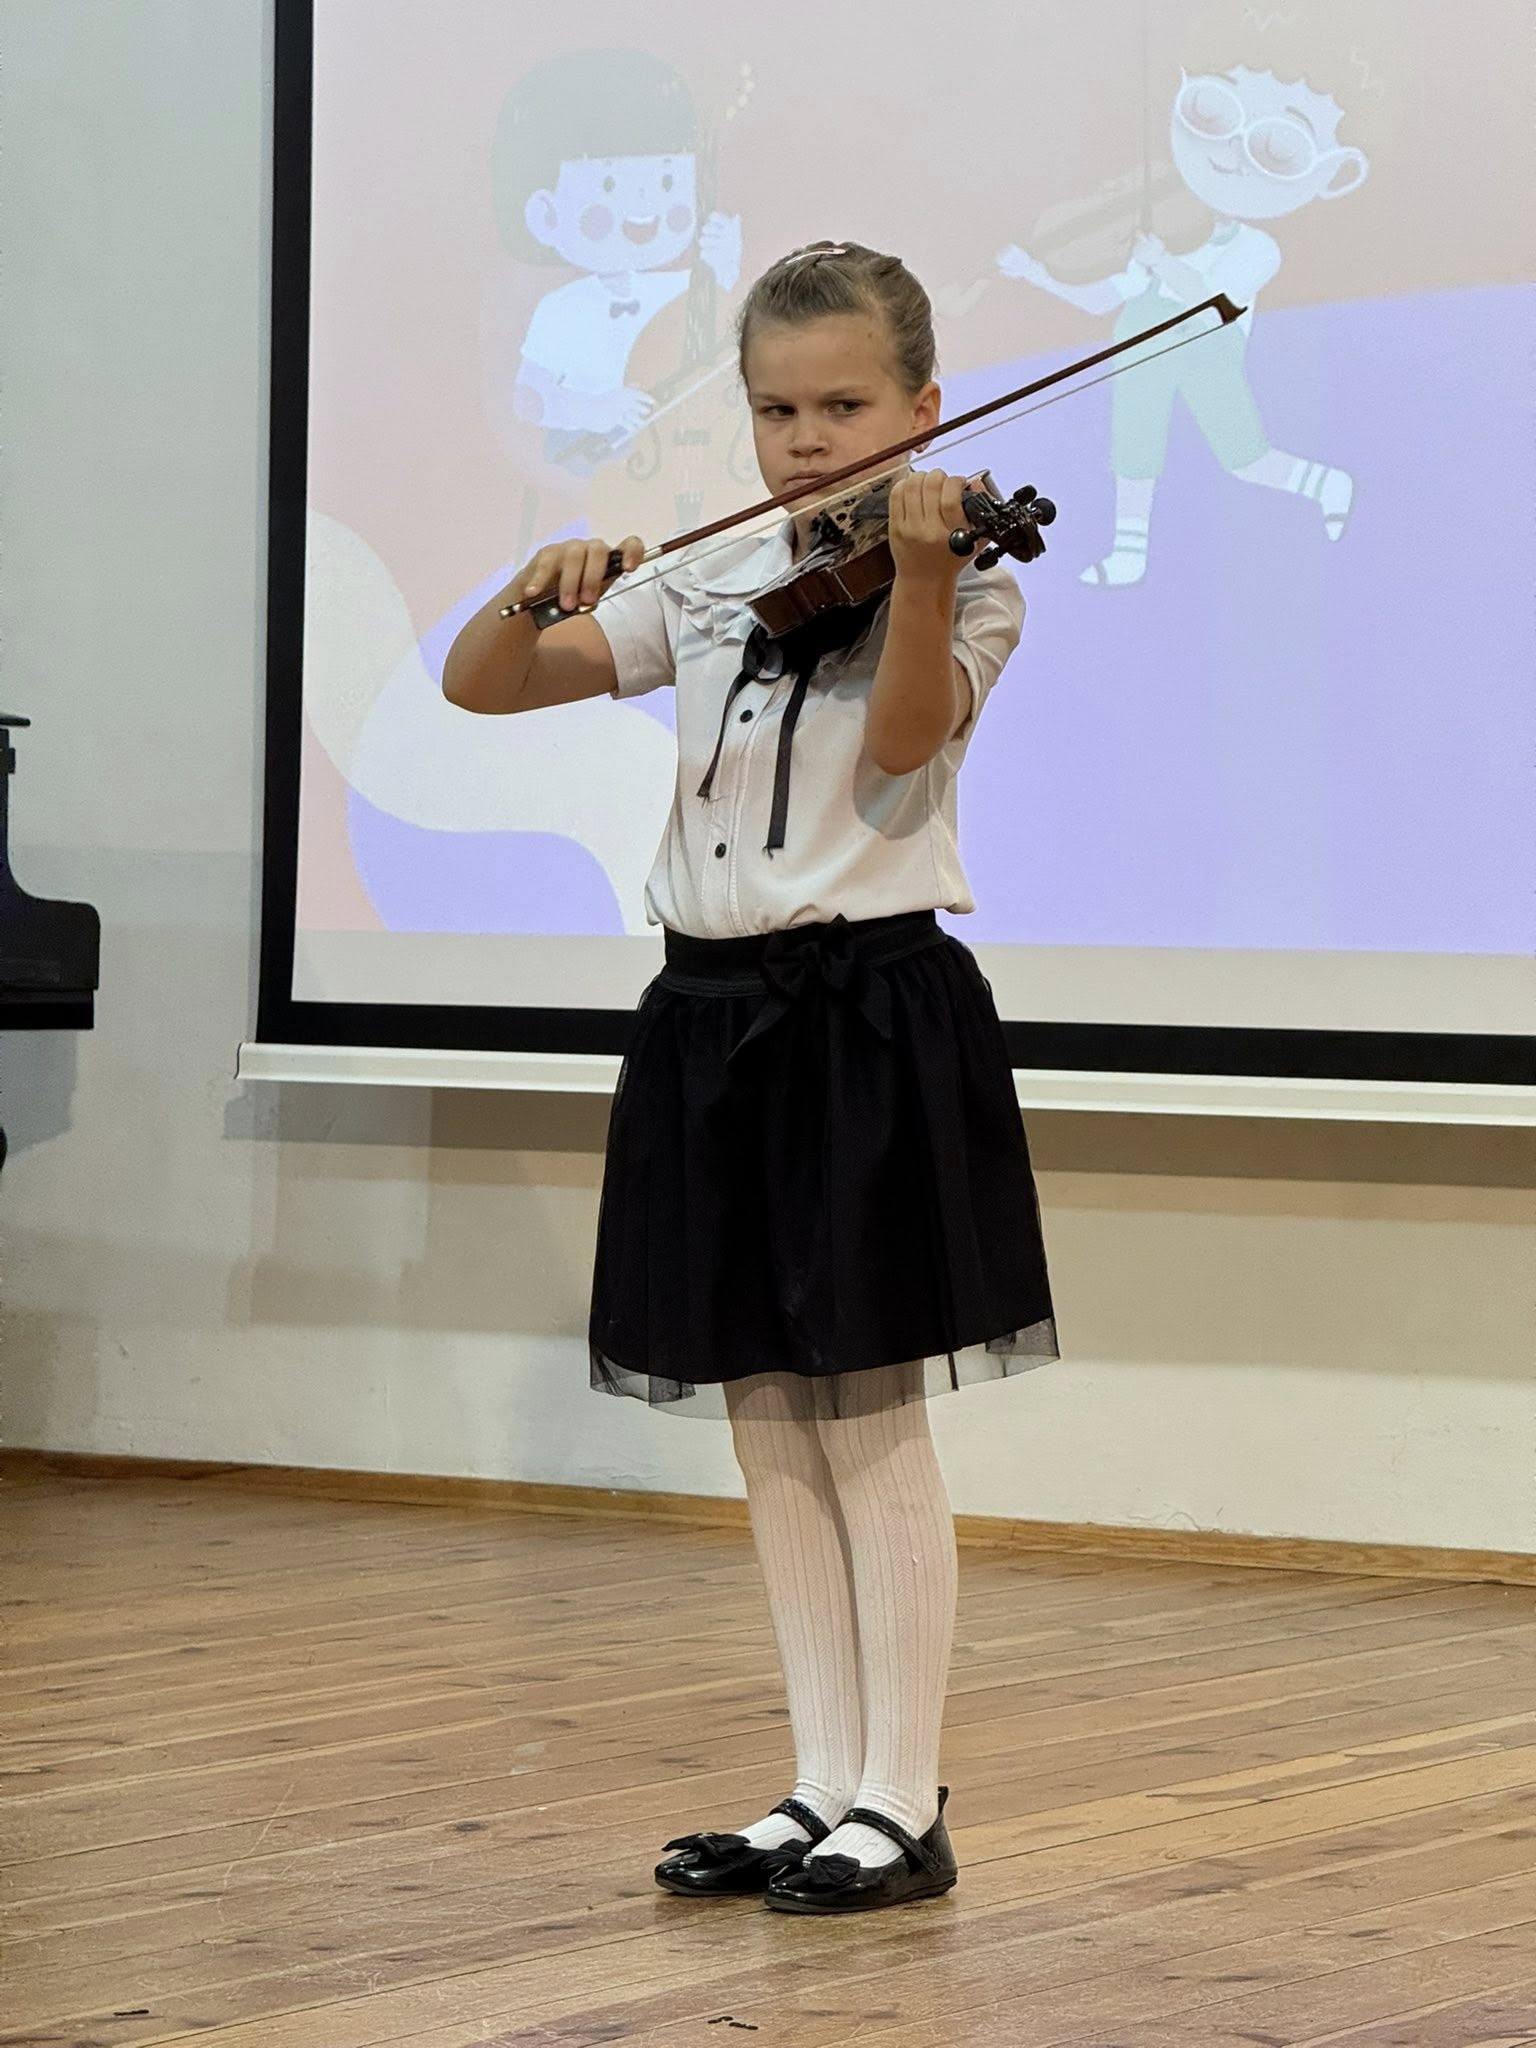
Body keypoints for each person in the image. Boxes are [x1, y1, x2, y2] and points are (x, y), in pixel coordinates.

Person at [443, 241, 1057, 1916]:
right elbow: (484, 686)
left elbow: (904, 741)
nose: (807, 440)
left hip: (864, 1012)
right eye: (780, 410)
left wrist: (917, 572)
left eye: (845, 405)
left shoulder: (969, 579)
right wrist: (534, 591)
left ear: (924, 409)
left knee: (866, 1413)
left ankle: (904, 1799)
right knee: (767, 1416)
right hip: (708, 1017)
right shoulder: (717, 580)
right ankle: (819, 1781)